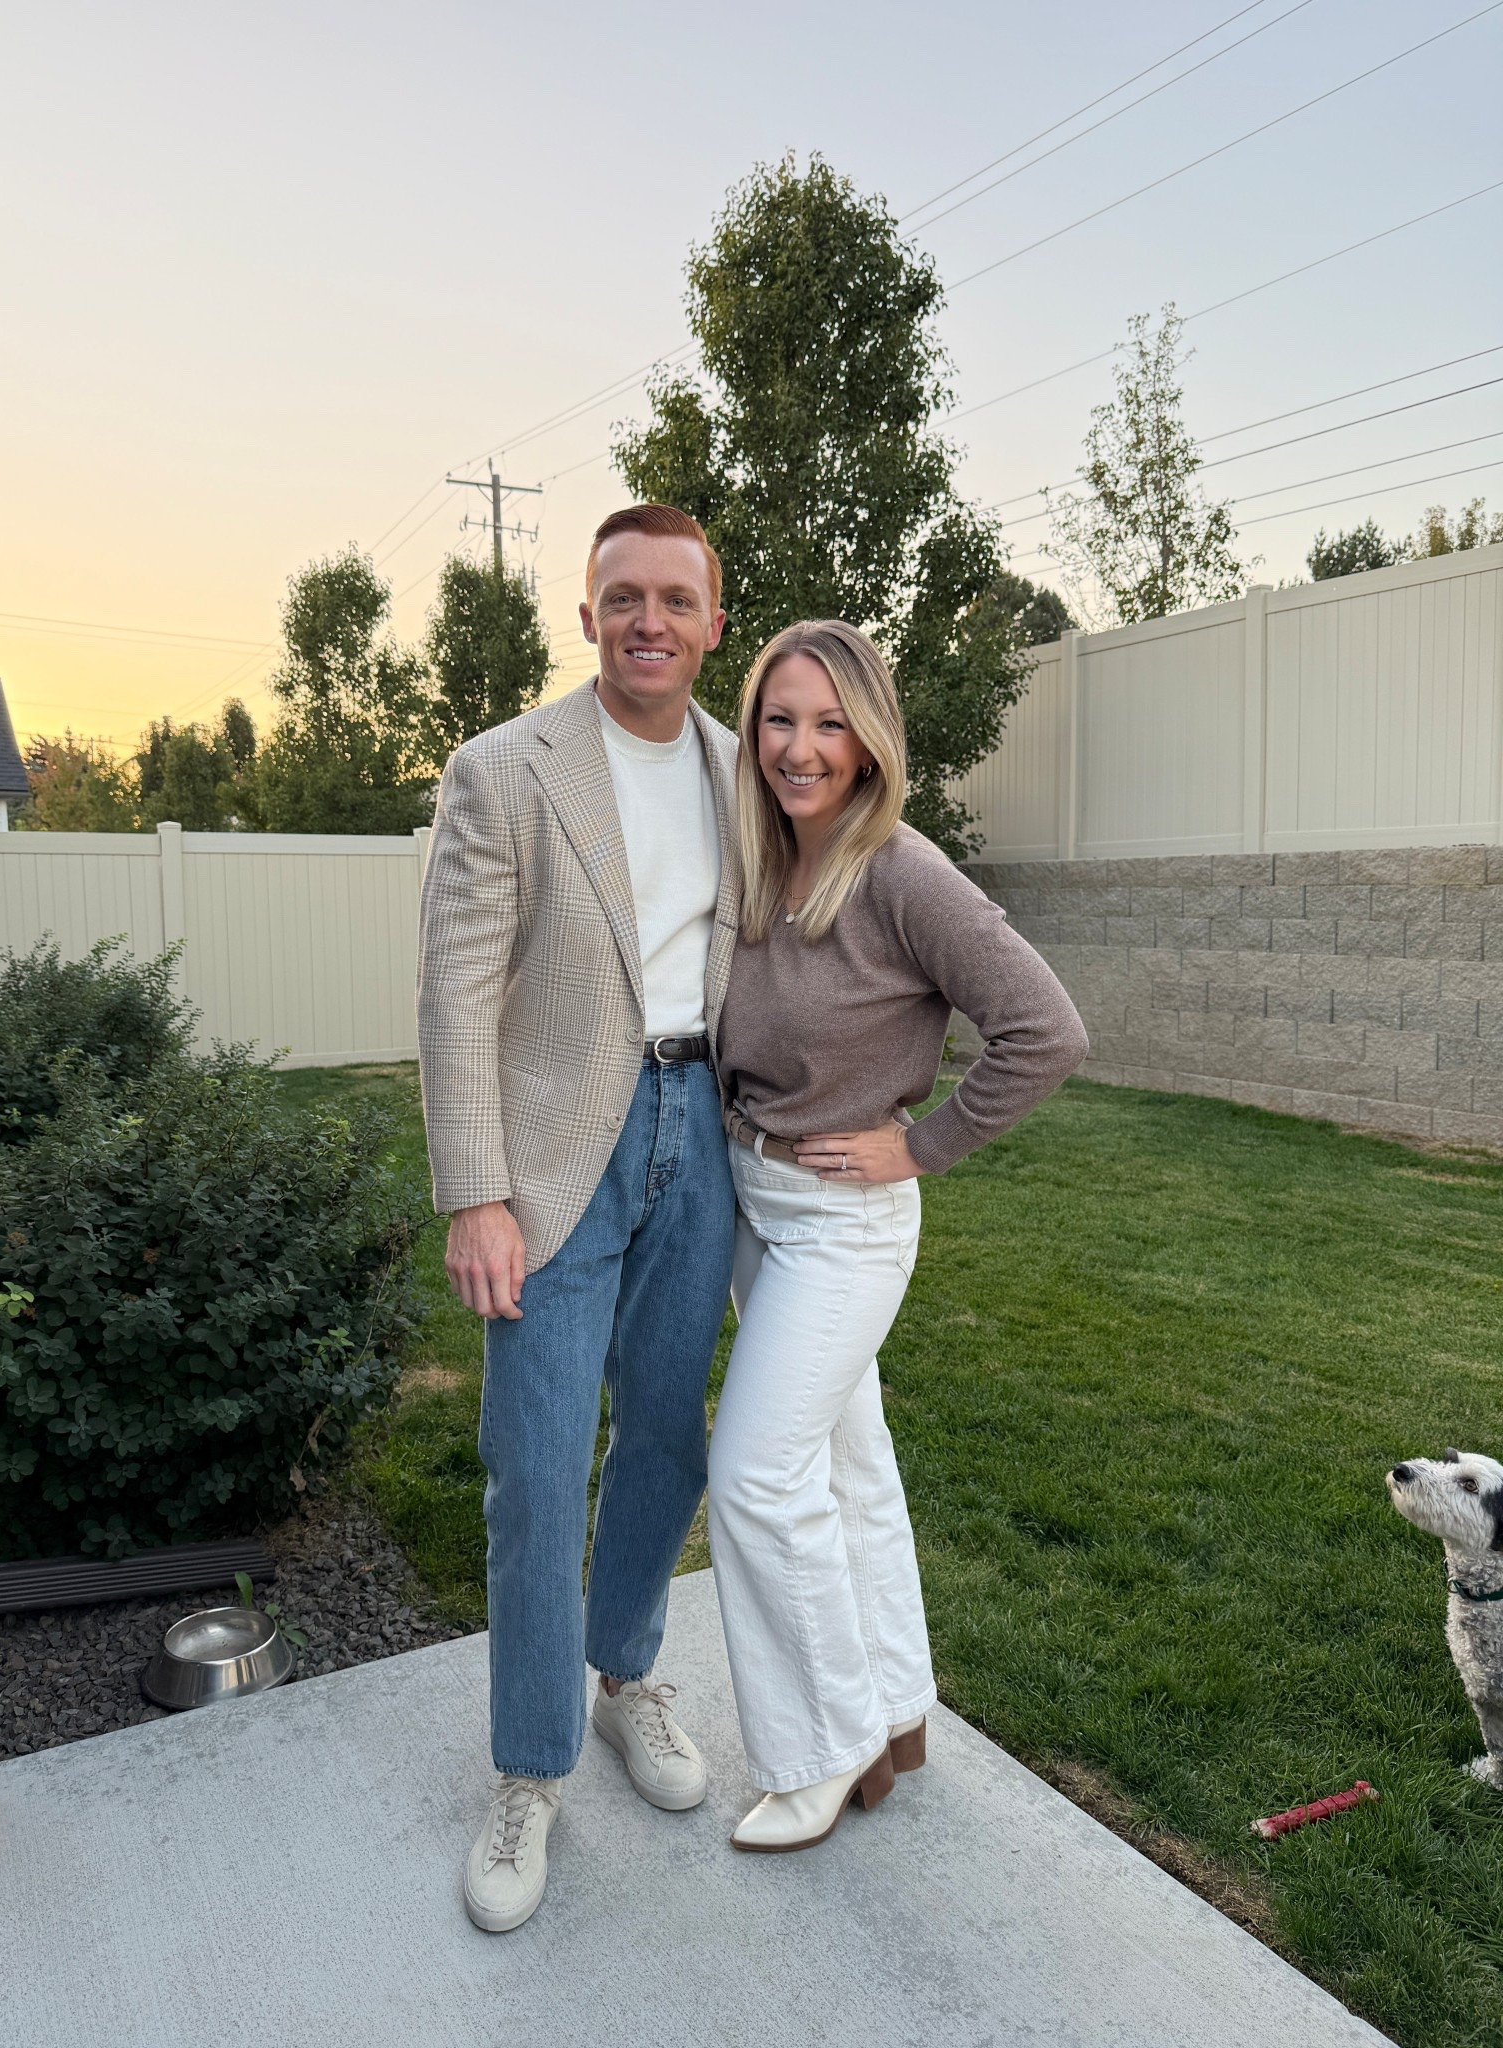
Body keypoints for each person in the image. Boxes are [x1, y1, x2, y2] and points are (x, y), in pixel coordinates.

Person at [708, 619, 1088, 1852]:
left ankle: (824, 1746)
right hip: (756, 1203)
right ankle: (898, 1707)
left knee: (757, 1475)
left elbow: (1047, 1029)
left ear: (871, 741)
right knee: (849, 1470)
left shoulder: (902, 869)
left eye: (829, 723)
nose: (800, 747)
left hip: (845, 1222)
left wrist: (918, 1145)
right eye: (779, 718)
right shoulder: (764, 859)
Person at [416, 504, 739, 1931]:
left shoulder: (752, 770)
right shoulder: (506, 772)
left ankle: (626, 1678)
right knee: (538, 1465)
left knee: (667, 1436)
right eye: (625, 596)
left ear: (715, 621)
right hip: (555, 1155)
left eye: (676, 597)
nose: (649, 619)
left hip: (704, 1138)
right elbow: (455, 997)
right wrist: (474, 1192)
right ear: (590, 612)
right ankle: (529, 1769)